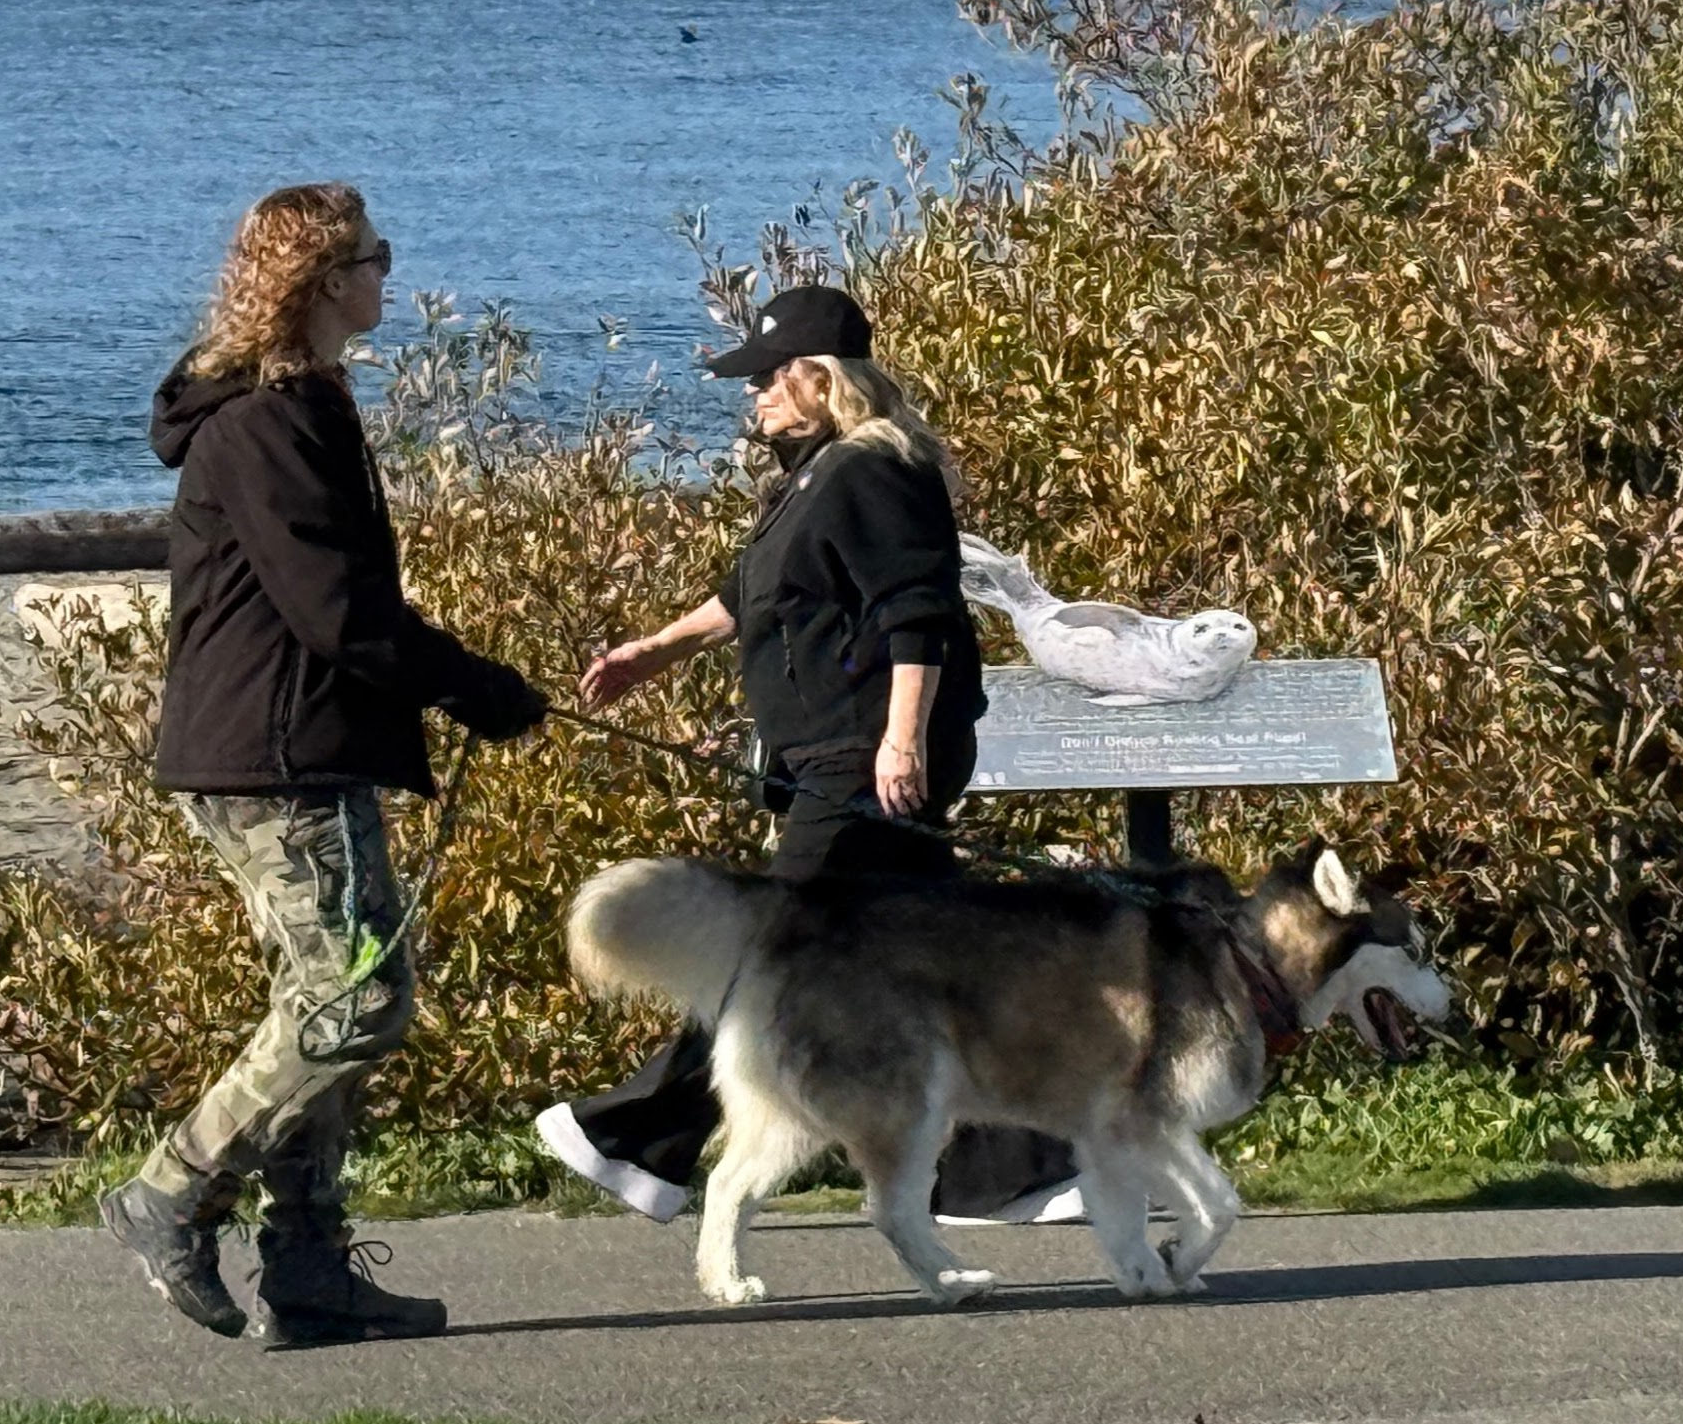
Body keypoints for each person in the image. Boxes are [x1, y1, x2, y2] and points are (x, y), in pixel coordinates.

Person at [99, 182, 549, 1348]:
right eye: (372, 257)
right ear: (319, 281)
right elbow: (337, 610)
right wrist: (471, 683)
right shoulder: (266, 418)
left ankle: (306, 1264)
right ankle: (170, 1188)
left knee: (324, 1000)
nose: (385, 273)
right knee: (355, 1002)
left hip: (287, 745)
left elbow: (339, 608)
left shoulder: (296, 402)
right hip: (274, 753)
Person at [534, 283, 1076, 1223]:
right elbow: (754, 593)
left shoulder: (876, 469)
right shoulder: (815, 473)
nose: (752, 399)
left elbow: (918, 611)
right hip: (835, 756)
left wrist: (901, 739)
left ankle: (641, 1137)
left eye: (766, 383)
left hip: (863, 760)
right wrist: (650, 652)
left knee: (771, 954)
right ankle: (1009, 1169)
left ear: (819, 381)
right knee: (936, 967)